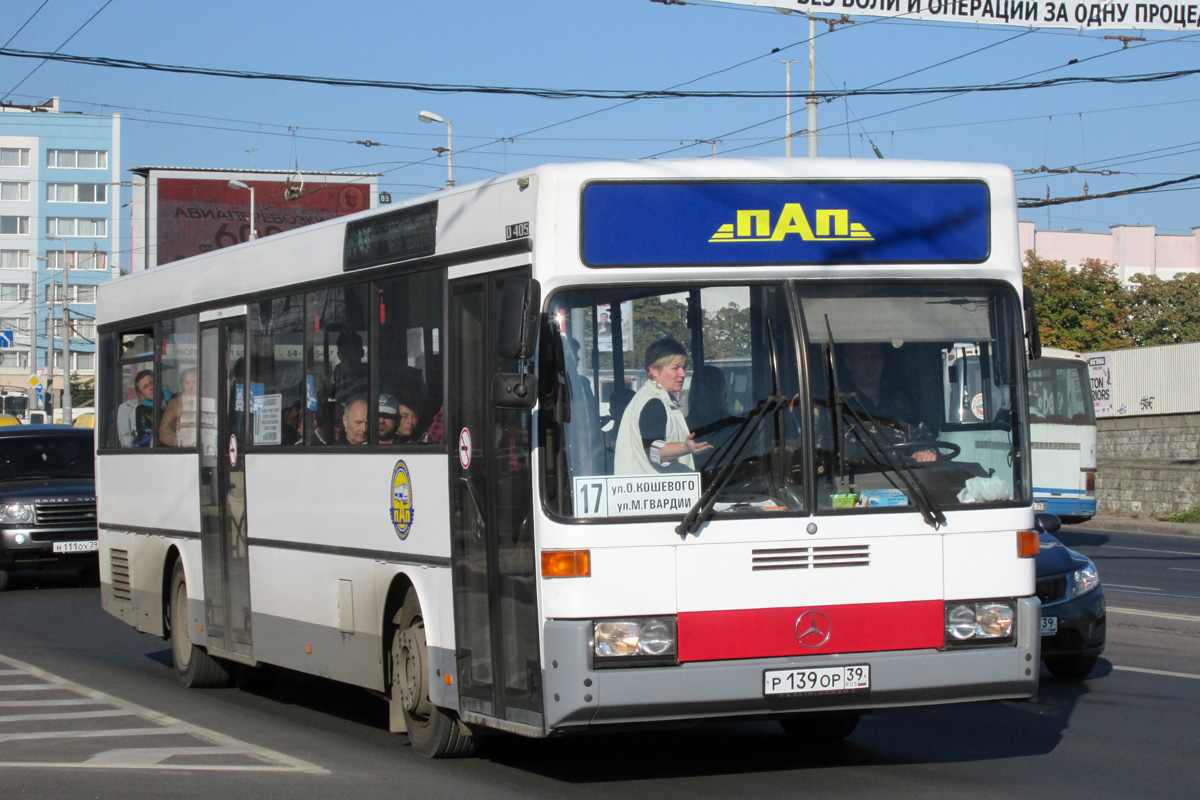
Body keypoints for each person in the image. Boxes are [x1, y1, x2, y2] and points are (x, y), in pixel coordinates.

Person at [614, 338, 711, 475]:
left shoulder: (653, 398)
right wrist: (685, 447)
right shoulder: (653, 402)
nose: (683, 374)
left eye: (684, 368)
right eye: (676, 368)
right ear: (654, 370)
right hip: (655, 493)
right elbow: (655, 451)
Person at [837, 342, 937, 463]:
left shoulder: (902, 399)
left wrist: (925, 451)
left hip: (904, 478)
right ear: (848, 363)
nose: (871, 364)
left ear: (883, 359)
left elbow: (924, 436)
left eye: (876, 357)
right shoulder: (836, 403)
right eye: (864, 358)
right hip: (856, 478)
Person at [159, 367, 197, 447]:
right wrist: (180, 441)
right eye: (186, 383)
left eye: (193, 382)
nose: (190, 387)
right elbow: (164, 431)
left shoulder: (209, 401)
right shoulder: (174, 403)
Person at [117, 369, 155, 447]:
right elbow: (125, 439)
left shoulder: (168, 403)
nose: (151, 388)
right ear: (139, 392)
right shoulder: (127, 408)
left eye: (152, 383)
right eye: (145, 387)